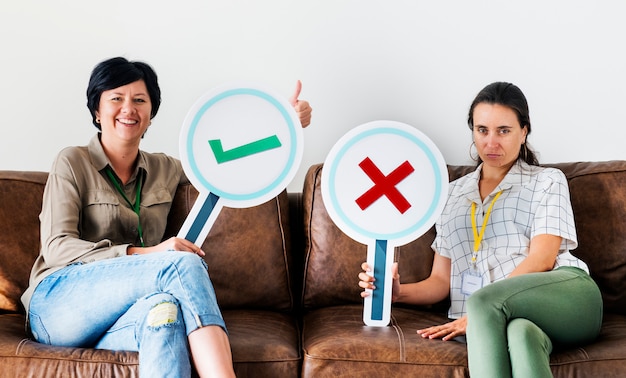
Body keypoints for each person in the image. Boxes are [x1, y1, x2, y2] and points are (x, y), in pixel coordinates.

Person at [21, 56, 312, 378]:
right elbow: (58, 248)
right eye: (116, 98)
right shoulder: (72, 161)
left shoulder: (167, 168)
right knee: (182, 262)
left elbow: (230, 161)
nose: (128, 109)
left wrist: (284, 124)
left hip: (125, 314)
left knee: (165, 315)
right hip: (58, 304)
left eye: (139, 100)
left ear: (151, 115)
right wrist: (147, 254)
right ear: (96, 111)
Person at [359, 82, 602, 377]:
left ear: (524, 131)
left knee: (484, 303)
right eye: (482, 130)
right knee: (521, 334)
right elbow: (440, 281)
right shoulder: (450, 195)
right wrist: (396, 293)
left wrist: (478, 313)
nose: (491, 143)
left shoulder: (547, 181)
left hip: (568, 296)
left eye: (504, 130)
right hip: (507, 319)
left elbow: (542, 260)